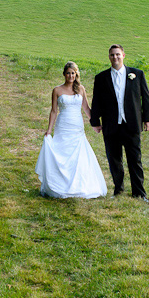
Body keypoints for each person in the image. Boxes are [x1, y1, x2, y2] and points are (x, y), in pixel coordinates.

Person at [90, 44, 149, 201]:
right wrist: (95, 121)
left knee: (135, 160)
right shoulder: (101, 78)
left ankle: (139, 193)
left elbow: (146, 98)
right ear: (109, 57)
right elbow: (96, 100)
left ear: (124, 55)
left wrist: (148, 119)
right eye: (112, 55)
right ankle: (118, 190)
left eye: (118, 54)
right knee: (114, 159)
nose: (115, 57)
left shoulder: (137, 74)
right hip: (111, 125)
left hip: (131, 124)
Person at [35, 61, 108, 198]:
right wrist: (49, 130)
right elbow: (53, 111)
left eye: (73, 73)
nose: (70, 76)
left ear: (76, 74)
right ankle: (59, 183)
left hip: (77, 126)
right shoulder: (57, 90)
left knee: (78, 154)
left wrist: (96, 123)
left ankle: (79, 185)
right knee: (62, 152)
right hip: (63, 125)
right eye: (68, 73)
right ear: (64, 74)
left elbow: (86, 108)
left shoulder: (80, 89)